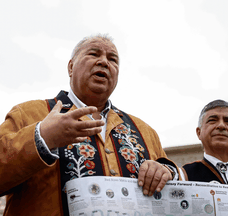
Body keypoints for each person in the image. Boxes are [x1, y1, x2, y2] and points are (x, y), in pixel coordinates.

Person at [0, 34, 179, 216]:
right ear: (71, 67)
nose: (104, 62)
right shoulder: (28, 114)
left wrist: (166, 172)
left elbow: (173, 195)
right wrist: (41, 138)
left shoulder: (145, 131)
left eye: (112, 59)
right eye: (94, 54)